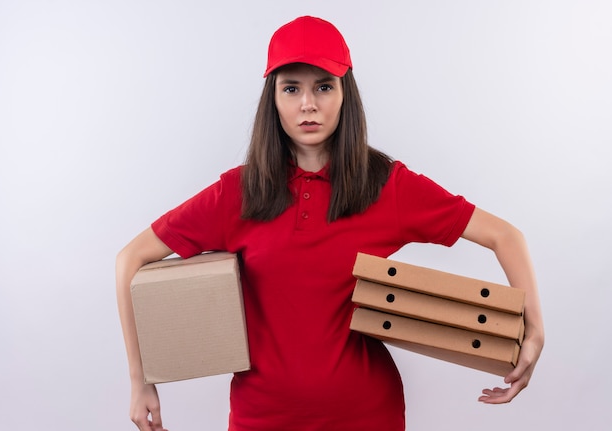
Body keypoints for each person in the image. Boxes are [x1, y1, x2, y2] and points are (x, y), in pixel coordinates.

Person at [116, 15, 544, 431]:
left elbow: (505, 236)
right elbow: (130, 260)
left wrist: (534, 331)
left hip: (367, 416)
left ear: (345, 93)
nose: (308, 104)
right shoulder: (239, 193)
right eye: (291, 88)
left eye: (324, 86)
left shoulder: (387, 186)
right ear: (274, 99)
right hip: (261, 418)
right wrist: (141, 379)